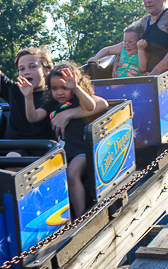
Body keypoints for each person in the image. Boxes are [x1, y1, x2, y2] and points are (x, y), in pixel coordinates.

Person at [0, 0, 107, 144]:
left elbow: (101, 104)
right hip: (10, 147)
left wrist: (68, 113)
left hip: (39, 152)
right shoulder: (14, 91)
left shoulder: (55, 92)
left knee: (14, 158)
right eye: (21, 69)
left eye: (32, 66)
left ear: (46, 70)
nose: (26, 72)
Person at [19, 62, 107, 218]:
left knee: (72, 173)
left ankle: (80, 216)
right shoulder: (51, 104)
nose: (59, 92)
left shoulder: (78, 100)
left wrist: (76, 88)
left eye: (64, 88)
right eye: (54, 88)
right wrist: (28, 97)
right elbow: (33, 117)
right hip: (63, 152)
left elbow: (92, 105)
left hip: (82, 150)